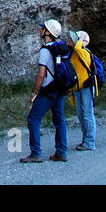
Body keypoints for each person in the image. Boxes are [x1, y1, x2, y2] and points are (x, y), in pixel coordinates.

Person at [21, 19, 68, 163]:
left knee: (33, 119)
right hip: (60, 88)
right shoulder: (60, 47)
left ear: (48, 32)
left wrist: (35, 93)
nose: (40, 30)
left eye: (42, 28)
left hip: (48, 90)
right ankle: (61, 152)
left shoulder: (45, 50)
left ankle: (36, 153)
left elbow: (41, 74)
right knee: (59, 120)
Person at [70, 29, 97, 151]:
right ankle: (85, 140)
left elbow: (78, 49)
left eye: (73, 39)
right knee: (81, 115)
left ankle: (90, 142)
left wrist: (80, 40)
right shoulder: (73, 54)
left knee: (87, 114)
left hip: (86, 87)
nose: (70, 40)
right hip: (77, 87)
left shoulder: (84, 52)